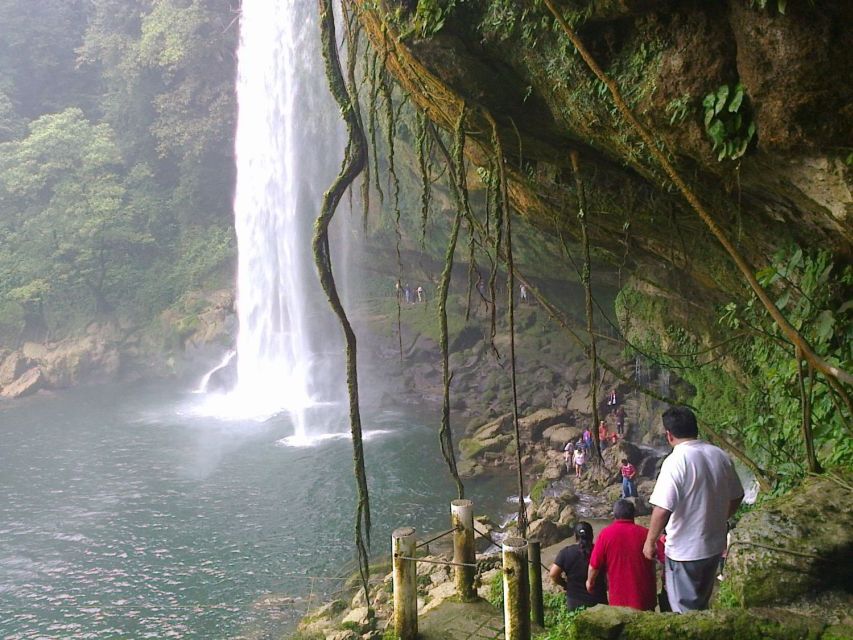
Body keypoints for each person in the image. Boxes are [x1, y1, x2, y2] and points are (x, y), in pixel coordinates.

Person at [642, 406, 744, 613]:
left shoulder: (676, 461)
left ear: (669, 435)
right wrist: (717, 519)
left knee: (684, 610)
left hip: (684, 550)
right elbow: (738, 495)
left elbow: (662, 508)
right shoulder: (720, 455)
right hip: (714, 546)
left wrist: (650, 541)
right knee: (701, 603)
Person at [586, 499, 656, 611]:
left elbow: (594, 566)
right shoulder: (646, 534)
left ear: (615, 515)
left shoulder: (606, 534)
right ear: (633, 514)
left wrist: (590, 582)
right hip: (645, 598)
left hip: (619, 599)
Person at [549, 522, 607, 610]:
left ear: (575, 536)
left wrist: (564, 584)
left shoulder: (566, 552)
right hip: (599, 602)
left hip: (575, 603)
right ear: (592, 535)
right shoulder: (600, 552)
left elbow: (553, 574)